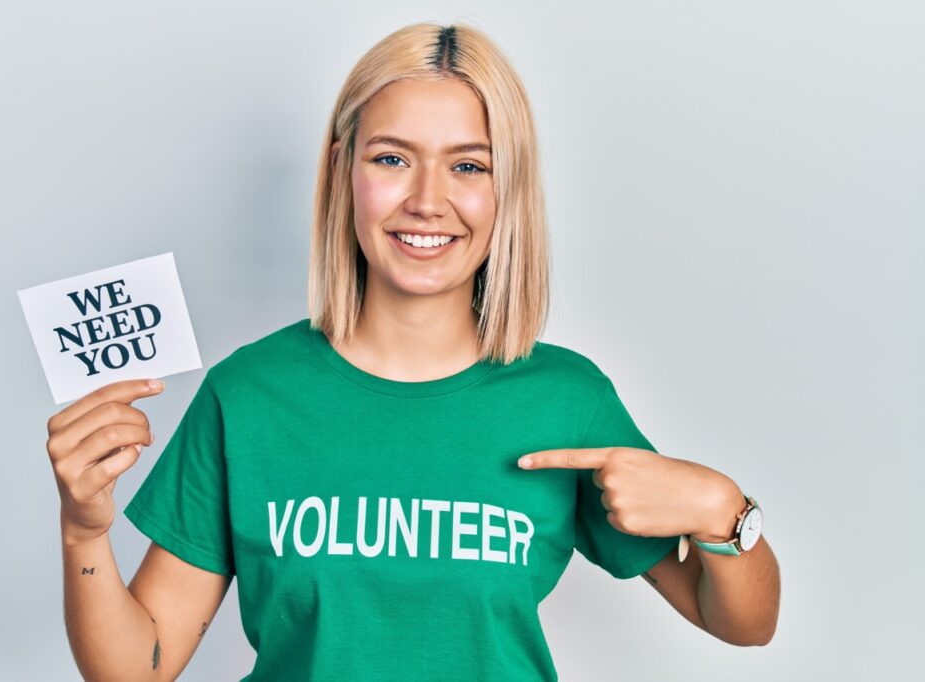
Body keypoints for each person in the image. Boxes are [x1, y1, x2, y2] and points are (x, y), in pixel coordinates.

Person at [47, 22, 781, 682]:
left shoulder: (567, 400)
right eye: (393, 158)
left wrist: (723, 509)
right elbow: (134, 671)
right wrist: (83, 527)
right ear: (343, 172)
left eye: (469, 166)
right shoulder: (248, 395)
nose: (427, 200)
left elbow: (743, 625)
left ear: (507, 190)